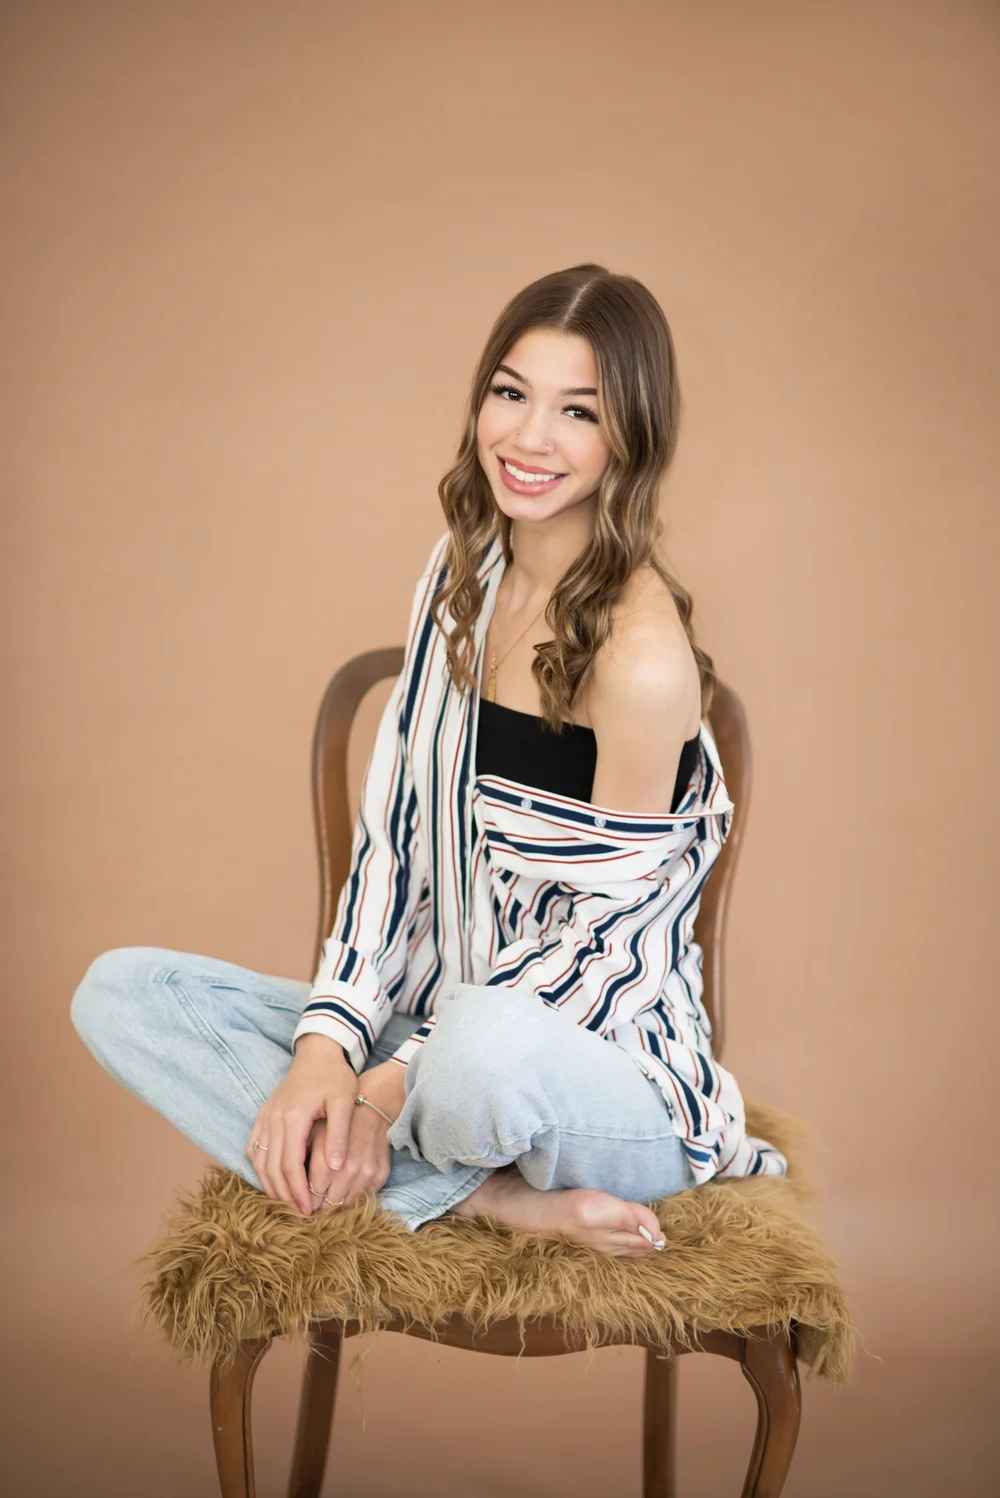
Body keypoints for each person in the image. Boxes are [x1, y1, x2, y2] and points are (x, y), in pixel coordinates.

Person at [71, 264, 786, 1262]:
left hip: (592, 1071)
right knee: (121, 994)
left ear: (631, 436)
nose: (528, 437)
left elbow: (602, 950)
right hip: (428, 1030)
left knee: (477, 1054)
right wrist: (327, 1045)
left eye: (577, 411)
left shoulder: (641, 658)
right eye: (510, 392)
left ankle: (432, 1162)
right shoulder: (460, 578)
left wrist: (383, 1085)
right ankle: (488, 1198)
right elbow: (393, 847)